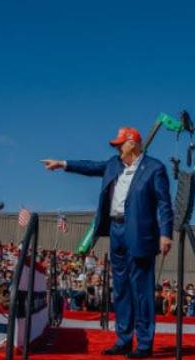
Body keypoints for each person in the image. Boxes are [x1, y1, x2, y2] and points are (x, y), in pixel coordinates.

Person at [42, 126, 174, 358]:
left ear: (132, 143)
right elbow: (91, 166)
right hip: (116, 229)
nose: (116, 148)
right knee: (121, 289)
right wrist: (62, 164)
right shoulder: (114, 165)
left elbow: (164, 203)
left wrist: (166, 233)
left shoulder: (155, 168)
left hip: (141, 233)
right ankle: (123, 340)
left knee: (141, 290)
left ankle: (144, 344)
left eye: (119, 144)